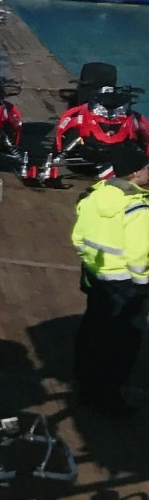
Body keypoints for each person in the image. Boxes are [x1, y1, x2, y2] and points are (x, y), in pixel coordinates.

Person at [70, 139, 149, 417]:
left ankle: (86, 387)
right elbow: (140, 256)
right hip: (125, 287)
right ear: (136, 174)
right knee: (123, 342)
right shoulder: (136, 208)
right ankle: (110, 397)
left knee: (92, 331)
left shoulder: (94, 195)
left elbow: (78, 237)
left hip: (97, 278)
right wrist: (142, 286)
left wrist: (92, 266)